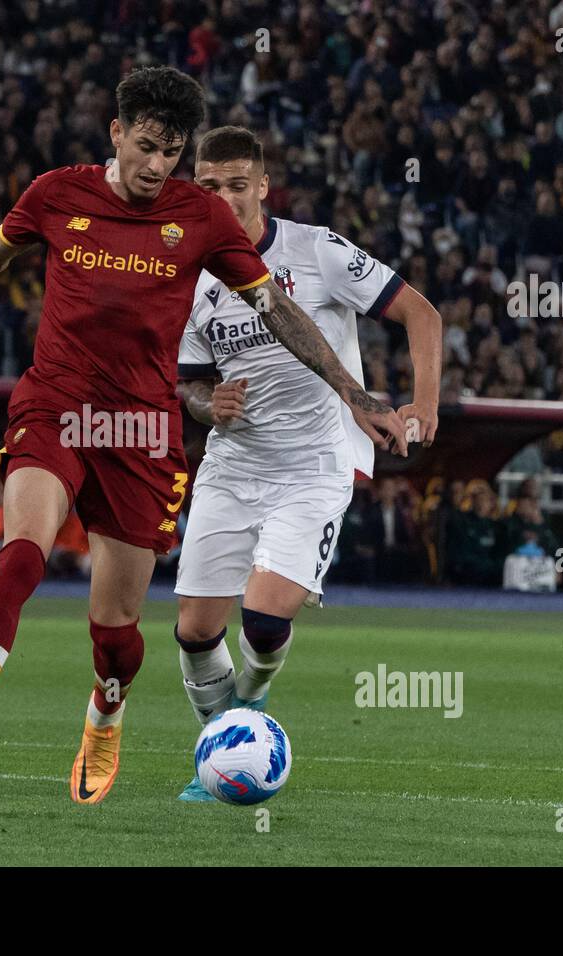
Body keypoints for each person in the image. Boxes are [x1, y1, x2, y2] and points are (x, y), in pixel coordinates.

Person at [0, 66, 406, 804]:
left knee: (115, 628)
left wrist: (351, 390)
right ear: (116, 133)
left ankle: (106, 709)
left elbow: (274, 308)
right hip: (56, 406)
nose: (156, 166)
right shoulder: (57, 193)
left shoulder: (199, 219)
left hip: (143, 431)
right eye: (145, 146)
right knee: (22, 556)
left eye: (171, 152)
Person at [171, 126, 441, 800]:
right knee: (195, 631)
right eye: (210, 187)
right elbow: (189, 381)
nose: (225, 198)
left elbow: (421, 313)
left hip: (313, 464)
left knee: (262, 620)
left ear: (263, 186)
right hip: (233, 466)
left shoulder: (316, 251)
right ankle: (223, 754)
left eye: (238, 185)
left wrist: (423, 403)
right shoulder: (186, 276)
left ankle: (246, 717)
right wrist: (210, 405)